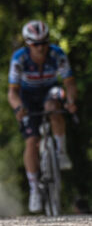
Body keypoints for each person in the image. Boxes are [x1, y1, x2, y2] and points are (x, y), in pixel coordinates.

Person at [8, 20, 78, 213]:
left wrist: (71, 101)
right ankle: (34, 189)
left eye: (44, 43)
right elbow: (12, 92)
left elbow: (69, 84)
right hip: (27, 96)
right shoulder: (19, 59)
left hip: (49, 90)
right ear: (28, 44)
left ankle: (61, 152)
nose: (41, 48)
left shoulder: (57, 54)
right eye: (35, 44)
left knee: (54, 106)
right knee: (31, 141)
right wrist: (18, 109)